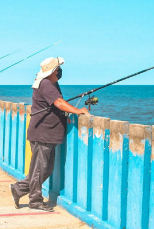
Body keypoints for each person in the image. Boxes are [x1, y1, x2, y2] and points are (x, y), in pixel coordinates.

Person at [10, 57, 90, 212]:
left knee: (45, 169)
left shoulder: (51, 83)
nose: (60, 71)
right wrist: (78, 110)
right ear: (54, 71)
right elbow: (58, 103)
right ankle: (35, 200)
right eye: (58, 68)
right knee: (40, 169)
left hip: (48, 133)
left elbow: (58, 101)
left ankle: (18, 189)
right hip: (43, 133)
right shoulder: (46, 84)